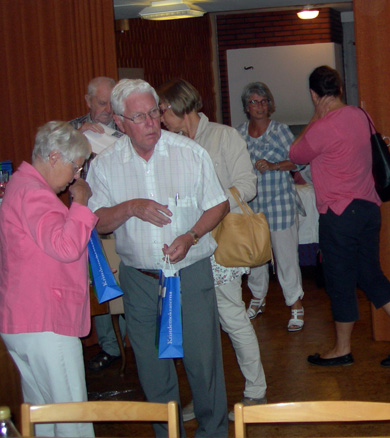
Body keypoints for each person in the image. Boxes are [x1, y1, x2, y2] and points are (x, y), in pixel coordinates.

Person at [86, 79, 230, 437]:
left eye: (154, 112)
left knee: (203, 364)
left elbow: (218, 204)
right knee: (152, 369)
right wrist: (131, 207)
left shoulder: (189, 153)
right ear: (120, 122)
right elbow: (97, 220)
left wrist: (191, 235)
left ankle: (213, 432)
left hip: (189, 274)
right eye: (139, 117)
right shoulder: (105, 165)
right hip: (140, 280)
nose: (151, 122)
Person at [290, 65, 390, 367]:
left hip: (339, 214)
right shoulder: (361, 115)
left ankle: (342, 349)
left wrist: (315, 117)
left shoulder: (322, 127)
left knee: (340, 280)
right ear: (339, 89)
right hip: (368, 209)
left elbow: (295, 154)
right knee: (370, 274)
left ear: (313, 94)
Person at [156, 78, 267, 422]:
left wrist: (212, 208)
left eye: (162, 110)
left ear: (180, 106)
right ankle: (204, 399)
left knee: (232, 318)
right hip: (186, 246)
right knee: (195, 328)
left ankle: (256, 392)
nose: (159, 118)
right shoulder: (169, 145)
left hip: (220, 241)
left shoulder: (223, 136)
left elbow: (248, 185)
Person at [0, 121, 97, 437]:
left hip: (25, 319)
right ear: (54, 157)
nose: (75, 177)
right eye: (75, 167)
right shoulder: (35, 193)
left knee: (42, 417)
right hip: (45, 321)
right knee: (71, 418)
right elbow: (65, 247)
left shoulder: (20, 185)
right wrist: (80, 203)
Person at [236, 81, 306, 332]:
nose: (259, 106)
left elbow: (299, 161)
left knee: (285, 257)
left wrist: (274, 165)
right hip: (252, 206)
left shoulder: (280, 130)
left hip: (279, 202)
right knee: (255, 256)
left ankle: (295, 304)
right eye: (254, 102)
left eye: (263, 101)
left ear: (269, 105)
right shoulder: (239, 133)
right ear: (247, 107)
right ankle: (258, 297)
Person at [71, 76, 127, 372]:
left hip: (124, 220)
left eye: (111, 103)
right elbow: (47, 160)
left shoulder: (125, 125)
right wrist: (76, 138)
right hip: (87, 224)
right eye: (101, 103)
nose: (107, 110)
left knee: (129, 282)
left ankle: (138, 341)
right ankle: (110, 346)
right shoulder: (71, 129)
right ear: (88, 101)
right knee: (100, 284)